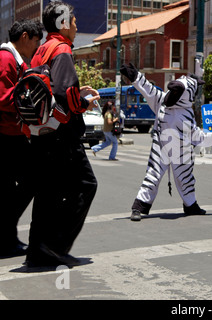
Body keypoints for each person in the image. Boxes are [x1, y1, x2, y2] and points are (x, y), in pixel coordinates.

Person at [25, 1, 99, 267]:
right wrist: (84, 102)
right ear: (63, 24)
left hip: (40, 133)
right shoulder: (63, 50)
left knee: (47, 192)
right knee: (86, 185)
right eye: (74, 21)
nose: (76, 26)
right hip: (62, 135)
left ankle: (38, 251)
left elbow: (49, 89)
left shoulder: (41, 50)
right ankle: (56, 246)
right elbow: (63, 95)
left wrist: (76, 93)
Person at [120, 62, 212, 221]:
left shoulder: (182, 112)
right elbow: (148, 89)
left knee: (185, 178)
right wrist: (135, 77)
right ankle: (139, 206)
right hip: (162, 147)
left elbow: (198, 136)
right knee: (154, 175)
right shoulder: (164, 102)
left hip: (179, 151)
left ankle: (191, 205)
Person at [0, 19, 43, 258]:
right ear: (25, 37)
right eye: (36, 41)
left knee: (10, 190)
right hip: (6, 137)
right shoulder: (6, 59)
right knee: (32, 178)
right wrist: (28, 101)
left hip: (12, 135)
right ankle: (5, 232)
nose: (37, 47)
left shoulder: (17, 61)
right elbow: (3, 97)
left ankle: (6, 236)